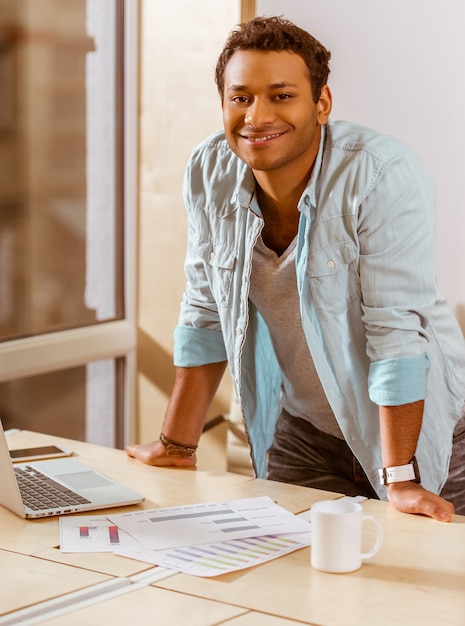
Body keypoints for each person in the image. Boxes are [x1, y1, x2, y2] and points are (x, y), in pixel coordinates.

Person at [127, 16, 465, 521]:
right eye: (240, 97)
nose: (256, 116)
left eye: (281, 96)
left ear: (321, 103)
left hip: (424, 438)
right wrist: (176, 443)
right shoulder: (208, 169)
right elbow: (205, 310)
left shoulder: (380, 174)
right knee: (289, 585)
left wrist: (401, 478)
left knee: (426, 594)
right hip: (309, 434)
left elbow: (396, 335)